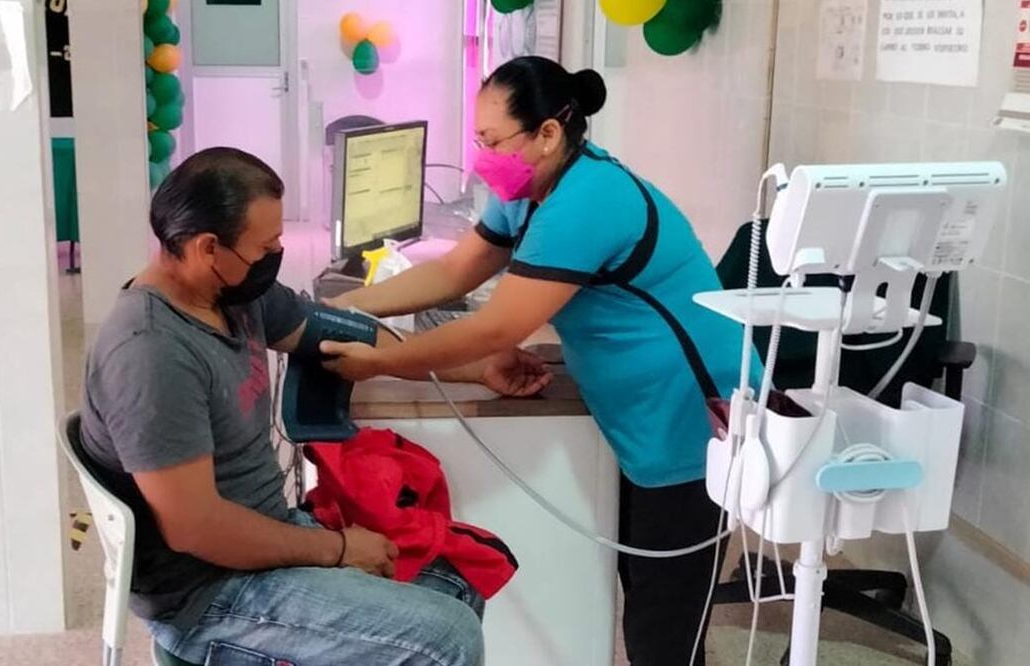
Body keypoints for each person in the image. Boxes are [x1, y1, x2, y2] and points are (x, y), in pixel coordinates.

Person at [323, 56, 759, 666]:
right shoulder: (527, 187)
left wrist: (383, 362)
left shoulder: (589, 198)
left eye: (493, 140)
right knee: (644, 590)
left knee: (665, 624)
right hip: (634, 409)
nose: (482, 156)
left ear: (549, 133)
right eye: (477, 141)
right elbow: (455, 272)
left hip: (689, 412)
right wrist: (344, 309)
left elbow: (500, 325)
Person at [80, 147, 550, 665]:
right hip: (208, 596)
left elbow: (350, 341)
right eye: (266, 246)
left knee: (457, 577)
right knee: (447, 636)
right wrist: (341, 549)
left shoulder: (235, 293)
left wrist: (477, 368)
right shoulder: (151, 353)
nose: (278, 252)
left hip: (264, 540)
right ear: (208, 247)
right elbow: (197, 528)